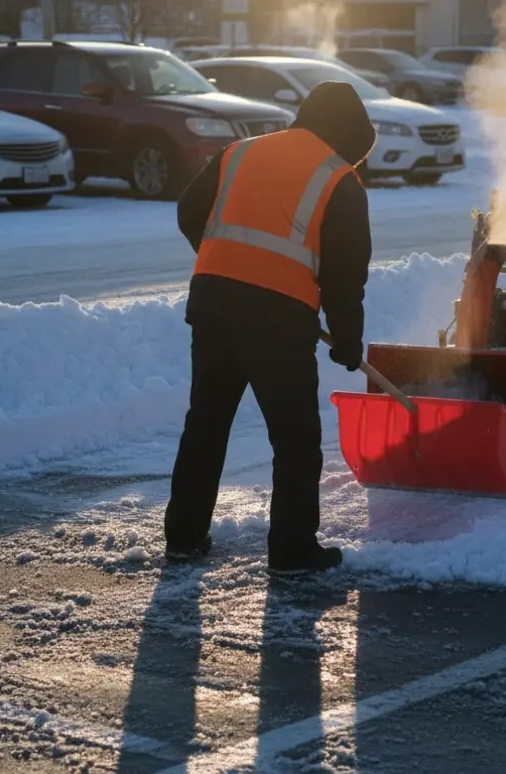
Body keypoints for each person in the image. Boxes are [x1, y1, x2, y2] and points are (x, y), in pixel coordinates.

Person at [162, 81, 376, 575]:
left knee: (206, 426)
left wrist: (226, 264)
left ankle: (184, 538)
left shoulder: (241, 152)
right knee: (296, 440)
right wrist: (346, 339)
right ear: (348, 138)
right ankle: (292, 551)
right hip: (278, 320)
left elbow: (189, 211)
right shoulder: (338, 179)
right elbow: (345, 276)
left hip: (213, 303)